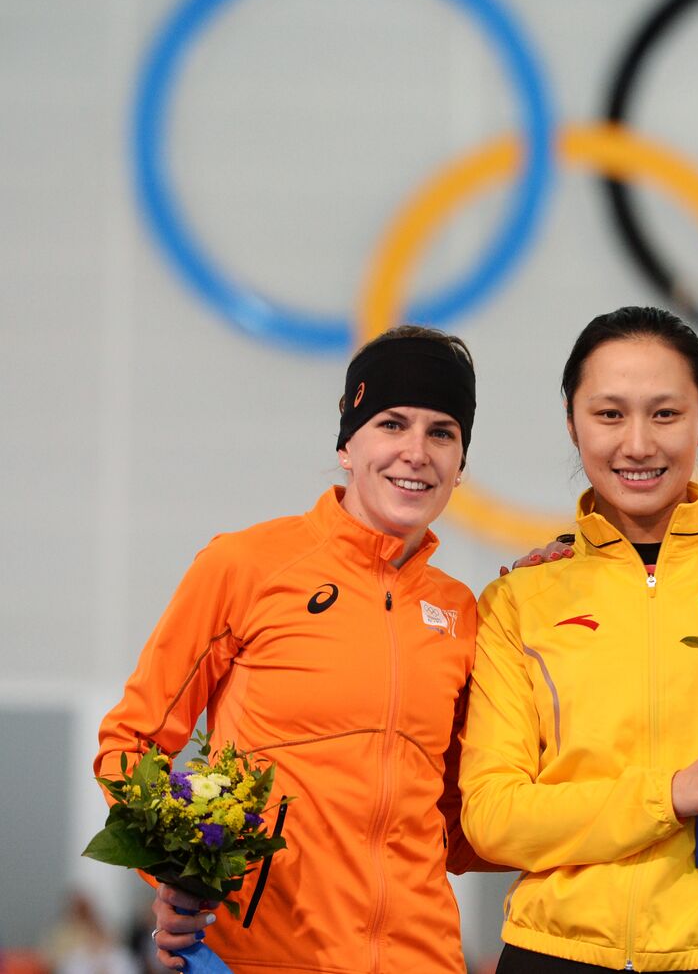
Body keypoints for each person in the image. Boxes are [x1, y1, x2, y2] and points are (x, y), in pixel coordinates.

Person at [458, 307, 698, 973]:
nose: (637, 444)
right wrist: (669, 793)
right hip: (554, 951)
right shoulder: (520, 599)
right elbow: (493, 818)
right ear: (571, 421)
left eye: (665, 414)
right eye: (609, 414)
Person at [94, 326, 483, 973]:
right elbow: (129, 742)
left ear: (461, 463)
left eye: (442, 432)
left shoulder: (463, 612)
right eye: (392, 423)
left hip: (423, 957)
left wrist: (551, 590)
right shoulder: (246, 566)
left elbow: (468, 819)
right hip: (260, 955)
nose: (417, 451)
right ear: (347, 444)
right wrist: (172, 869)